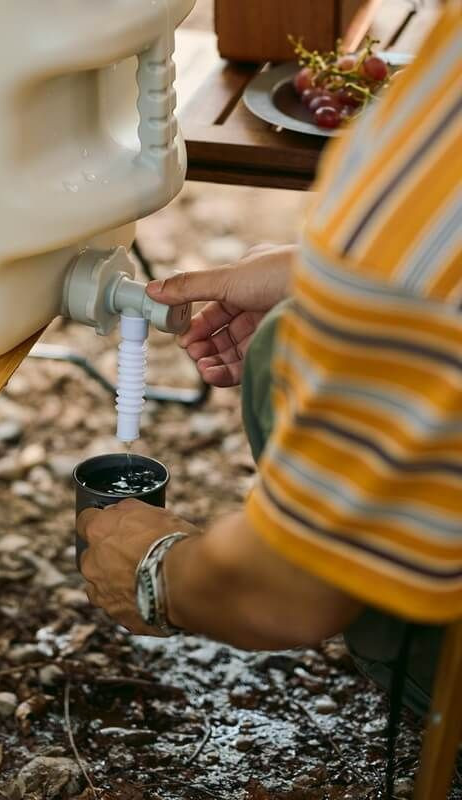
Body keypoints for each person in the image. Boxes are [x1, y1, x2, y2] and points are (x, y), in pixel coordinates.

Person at [77, 1, 462, 717]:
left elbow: (291, 591)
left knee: (288, 343)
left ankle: (435, 696)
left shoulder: (438, 140)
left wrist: (159, 573)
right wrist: (327, 269)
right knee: (293, 331)